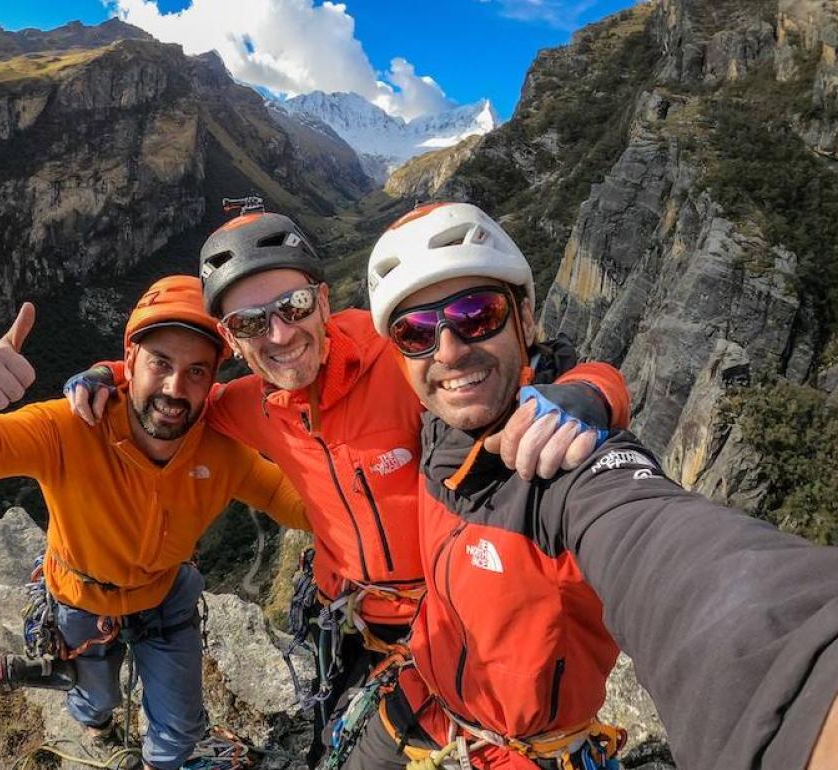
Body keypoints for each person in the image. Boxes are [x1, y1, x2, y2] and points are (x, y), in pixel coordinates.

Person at [64, 207, 632, 764]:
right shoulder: (248, 403)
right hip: (351, 620)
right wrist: (110, 373)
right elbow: (175, 391)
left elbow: (534, 368)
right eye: (250, 324)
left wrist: (593, 394)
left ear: (324, 300)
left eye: (294, 305)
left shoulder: (403, 355)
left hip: (444, 615)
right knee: (336, 740)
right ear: (232, 341)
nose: (280, 334)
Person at [342, 201, 838, 770]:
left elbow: (668, 550)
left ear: (525, 318)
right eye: (416, 333)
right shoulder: (436, 422)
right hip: (417, 701)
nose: (449, 351)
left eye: (477, 314)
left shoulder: (567, 465)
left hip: (521, 754)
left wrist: (820, 689)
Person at [0, 276, 311, 770]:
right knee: (94, 698)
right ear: (130, 363)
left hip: (165, 595)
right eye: (160, 363)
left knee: (182, 724)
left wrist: (366, 506)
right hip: (81, 596)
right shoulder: (70, 428)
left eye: (195, 372)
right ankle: (95, 722)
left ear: (212, 380)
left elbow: (280, 494)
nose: (174, 388)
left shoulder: (221, 447)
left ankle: (160, 762)